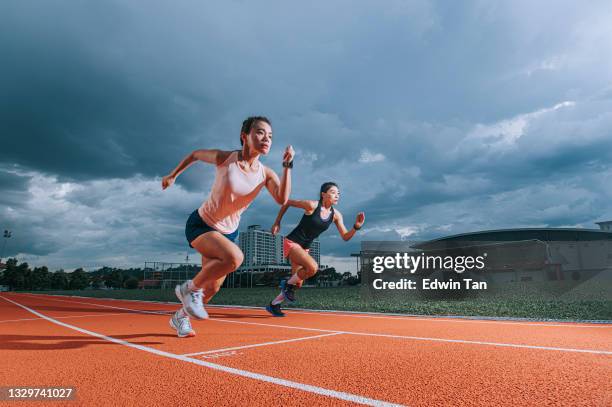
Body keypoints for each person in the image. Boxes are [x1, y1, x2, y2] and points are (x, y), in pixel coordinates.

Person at [162, 116, 294, 337]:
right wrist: (173, 175)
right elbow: (195, 154)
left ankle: (180, 318)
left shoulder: (265, 174)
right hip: (202, 224)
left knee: (212, 288)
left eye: (270, 136)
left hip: (227, 233)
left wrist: (287, 165)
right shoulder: (225, 158)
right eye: (260, 132)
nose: (266, 139)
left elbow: (282, 199)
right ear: (245, 136)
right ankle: (188, 289)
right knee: (234, 258)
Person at [266, 182, 365, 317]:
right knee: (313, 267)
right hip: (292, 242)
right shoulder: (312, 205)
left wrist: (356, 227)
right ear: (323, 195)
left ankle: (274, 304)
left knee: (297, 284)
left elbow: (345, 237)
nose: (337, 195)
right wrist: (277, 222)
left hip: (304, 249)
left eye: (338, 193)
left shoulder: (336, 215)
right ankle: (286, 284)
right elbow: (287, 202)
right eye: (333, 192)